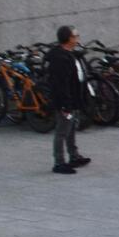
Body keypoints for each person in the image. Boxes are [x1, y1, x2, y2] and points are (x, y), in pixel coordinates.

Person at [44, 24, 90, 174]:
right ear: (68, 39)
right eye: (75, 36)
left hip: (73, 99)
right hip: (65, 101)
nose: (77, 39)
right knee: (62, 131)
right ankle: (59, 162)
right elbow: (61, 84)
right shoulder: (60, 58)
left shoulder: (69, 54)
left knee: (71, 129)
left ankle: (74, 156)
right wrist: (65, 105)